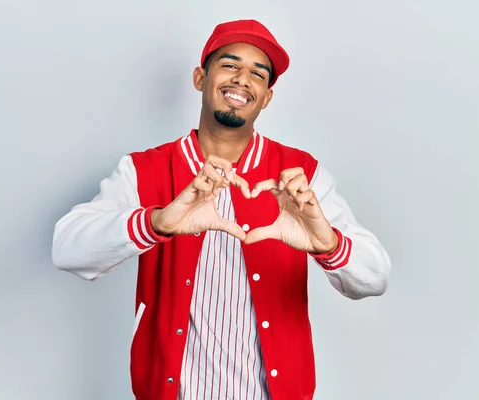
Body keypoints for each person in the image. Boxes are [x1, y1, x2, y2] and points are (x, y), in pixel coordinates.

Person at [52, 19, 391, 400]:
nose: (243, 79)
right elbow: (67, 248)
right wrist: (157, 221)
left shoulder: (300, 175)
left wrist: (327, 243)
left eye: (258, 74)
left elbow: (375, 277)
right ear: (201, 77)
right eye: (230, 65)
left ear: (266, 97)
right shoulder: (143, 169)